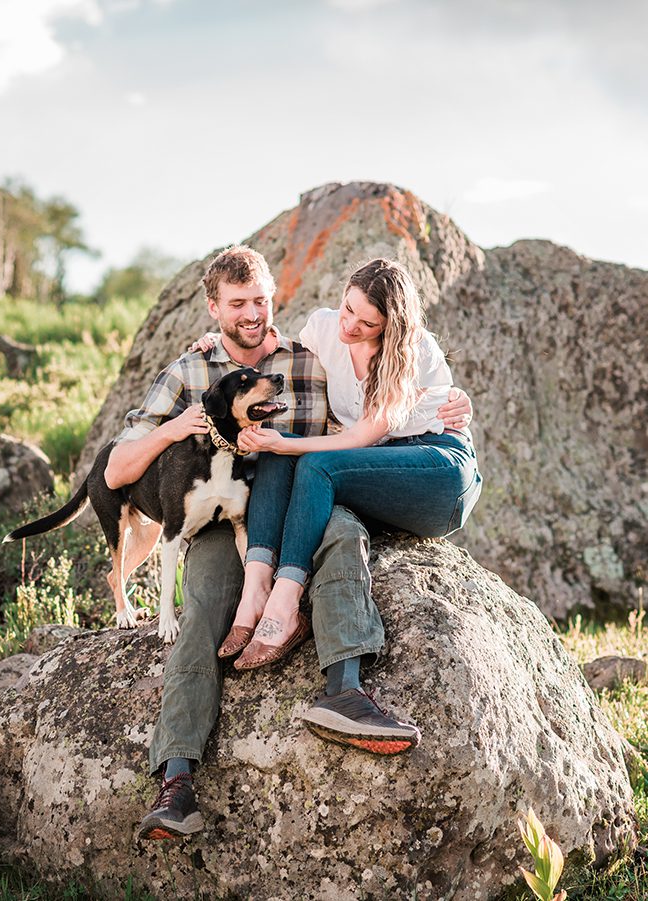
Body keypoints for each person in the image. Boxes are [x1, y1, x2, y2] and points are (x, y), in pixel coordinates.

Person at [107, 246, 473, 842]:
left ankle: (347, 692)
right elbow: (118, 470)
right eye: (236, 304)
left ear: (274, 300)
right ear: (213, 308)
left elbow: (376, 410)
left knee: (345, 534)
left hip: (302, 497)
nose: (250, 315)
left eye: (259, 301)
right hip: (222, 522)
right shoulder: (191, 371)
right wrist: (184, 422)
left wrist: (455, 401)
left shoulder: (306, 353)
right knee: (201, 610)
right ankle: (176, 781)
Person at [216, 258, 483, 693]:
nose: (350, 325)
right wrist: (219, 340)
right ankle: (256, 589)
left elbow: (361, 436)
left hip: (438, 469)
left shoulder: (411, 351)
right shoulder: (322, 327)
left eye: (367, 323)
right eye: (348, 309)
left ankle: (284, 608)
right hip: (379, 468)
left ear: (389, 326)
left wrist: (286, 444)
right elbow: (271, 349)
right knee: (276, 453)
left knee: (307, 457)